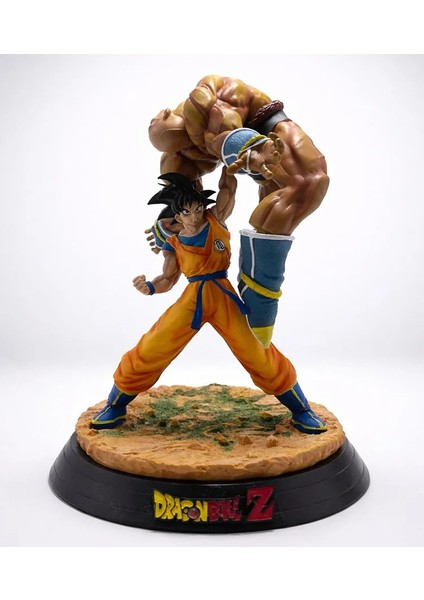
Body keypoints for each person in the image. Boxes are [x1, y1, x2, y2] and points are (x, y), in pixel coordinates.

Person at [91, 170, 327, 435]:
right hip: (193, 298)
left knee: (257, 352)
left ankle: (301, 410)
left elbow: (228, 189)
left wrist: (229, 164)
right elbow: (168, 278)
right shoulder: (173, 243)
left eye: (198, 209)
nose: (194, 216)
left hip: (223, 295)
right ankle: (115, 405)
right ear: (177, 216)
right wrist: (149, 287)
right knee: (153, 346)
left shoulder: (216, 219)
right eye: (187, 212)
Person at [148, 75, 330, 347]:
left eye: (154, 123)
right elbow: (183, 200)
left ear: (166, 113)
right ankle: (259, 302)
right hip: (255, 154)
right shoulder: (176, 156)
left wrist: (254, 152)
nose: (183, 149)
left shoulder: (203, 104)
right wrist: (166, 228)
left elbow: (223, 133)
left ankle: (259, 298)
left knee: (309, 183)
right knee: (299, 191)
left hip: (268, 133)